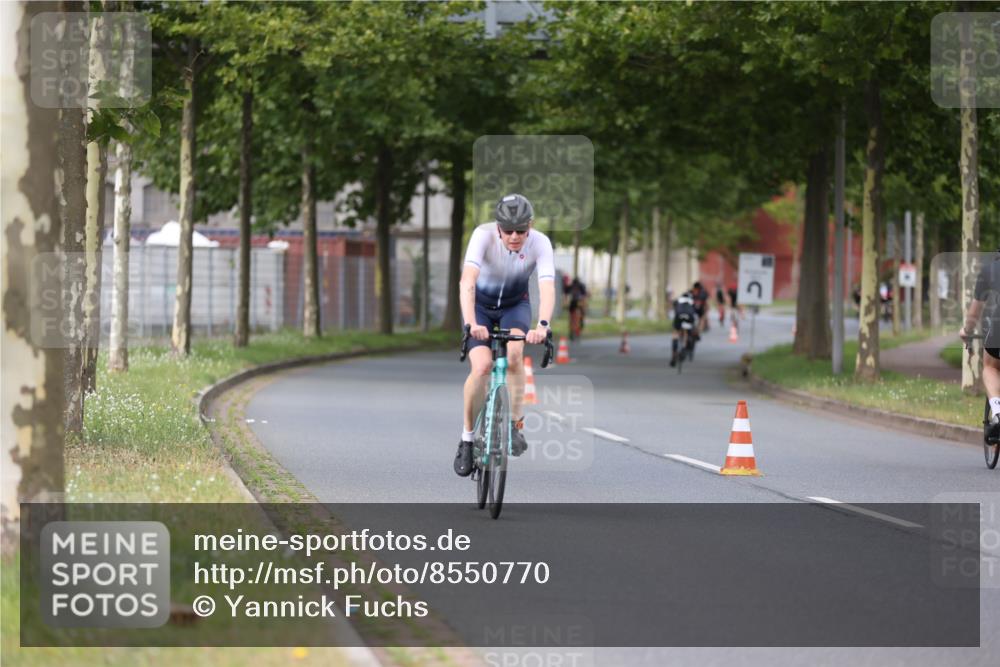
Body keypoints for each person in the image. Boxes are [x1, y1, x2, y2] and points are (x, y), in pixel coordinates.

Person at [454, 194, 556, 476]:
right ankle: (467, 439)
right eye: (508, 230)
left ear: (530, 226)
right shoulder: (482, 235)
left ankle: (514, 423)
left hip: (514, 306)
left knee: (514, 355)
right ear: (498, 227)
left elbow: (547, 287)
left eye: (521, 231)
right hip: (479, 308)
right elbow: (467, 281)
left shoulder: (541, 243)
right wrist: (471, 323)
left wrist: (542, 325)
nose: (514, 237)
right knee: (482, 366)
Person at [959, 249, 1000, 440]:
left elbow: (975, 312)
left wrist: (966, 331)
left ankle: (998, 412)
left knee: (990, 367)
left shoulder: (989, 269)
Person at [670, 291, 699, 367]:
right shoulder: (692, 301)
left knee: (675, 334)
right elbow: (696, 312)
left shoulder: (678, 301)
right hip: (689, 318)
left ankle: (674, 355)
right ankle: (684, 348)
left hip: (679, 317)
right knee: (687, 332)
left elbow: (674, 309)